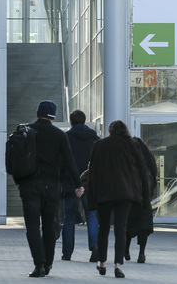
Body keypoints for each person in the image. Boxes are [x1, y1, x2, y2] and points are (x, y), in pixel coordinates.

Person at [19, 101, 84, 278]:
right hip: (51, 187)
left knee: (32, 227)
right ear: (53, 116)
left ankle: (39, 264)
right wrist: (78, 184)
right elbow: (69, 162)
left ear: (38, 112)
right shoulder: (59, 135)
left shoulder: (26, 131)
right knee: (49, 225)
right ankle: (48, 263)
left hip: (29, 185)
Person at [87, 120, 151, 279]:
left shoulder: (99, 145)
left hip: (104, 194)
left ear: (110, 130)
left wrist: (92, 197)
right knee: (121, 229)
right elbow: (143, 172)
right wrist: (145, 197)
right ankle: (118, 265)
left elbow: (92, 172)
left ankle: (102, 263)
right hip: (125, 194)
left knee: (103, 228)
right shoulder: (132, 145)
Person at [61, 109, 99, 263]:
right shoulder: (95, 138)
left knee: (69, 217)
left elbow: (63, 162)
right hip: (90, 184)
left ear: (71, 122)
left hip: (71, 183)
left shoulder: (66, 138)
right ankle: (95, 247)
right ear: (84, 121)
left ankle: (67, 253)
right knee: (91, 216)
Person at [125, 137, 156, 263]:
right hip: (145, 201)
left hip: (131, 199)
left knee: (127, 226)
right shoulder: (149, 162)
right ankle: (141, 253)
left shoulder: (129, 162)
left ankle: (126, 250)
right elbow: (153, 182)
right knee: (143, 228)